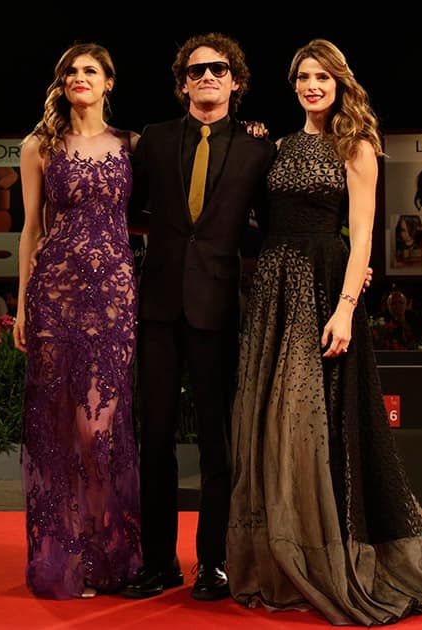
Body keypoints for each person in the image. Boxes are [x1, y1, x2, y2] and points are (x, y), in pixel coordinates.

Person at [226, 39, 422, 625]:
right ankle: (279, 554)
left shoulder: (357, 143)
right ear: (293, 86)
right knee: (271, 418)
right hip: (274, 285)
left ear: (340, 82)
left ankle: (328, 552)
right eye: (303, 77)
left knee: (317, 420)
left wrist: (345, 306)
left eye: (322, 76)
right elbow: (256, 216)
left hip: (322, 285)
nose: (312, 85)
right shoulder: (280, 144)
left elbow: (362, 232)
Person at [120, 32, 276, 602]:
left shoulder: (260, 148)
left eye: (219, 69)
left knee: (218, 445)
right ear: (183, 82)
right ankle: (159, 561)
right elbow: (128, 209)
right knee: (154, 439)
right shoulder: (154, 141)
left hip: (219, 309)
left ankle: (214, 563)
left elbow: (269, 227)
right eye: (196, 70)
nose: (207, 76)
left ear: (236, 81)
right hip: (157, 307)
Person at [12, 42, 141, 600]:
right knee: (60, 431)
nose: (78, 77)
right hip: (55, 297)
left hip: (114, 298)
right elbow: (30, 230)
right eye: (70, 71)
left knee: (99, 432)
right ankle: (64, 559)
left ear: (109, 82)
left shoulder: (131, 145)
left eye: (90, 70)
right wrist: (21, 304)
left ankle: (104, 552)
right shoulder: (38, 146)